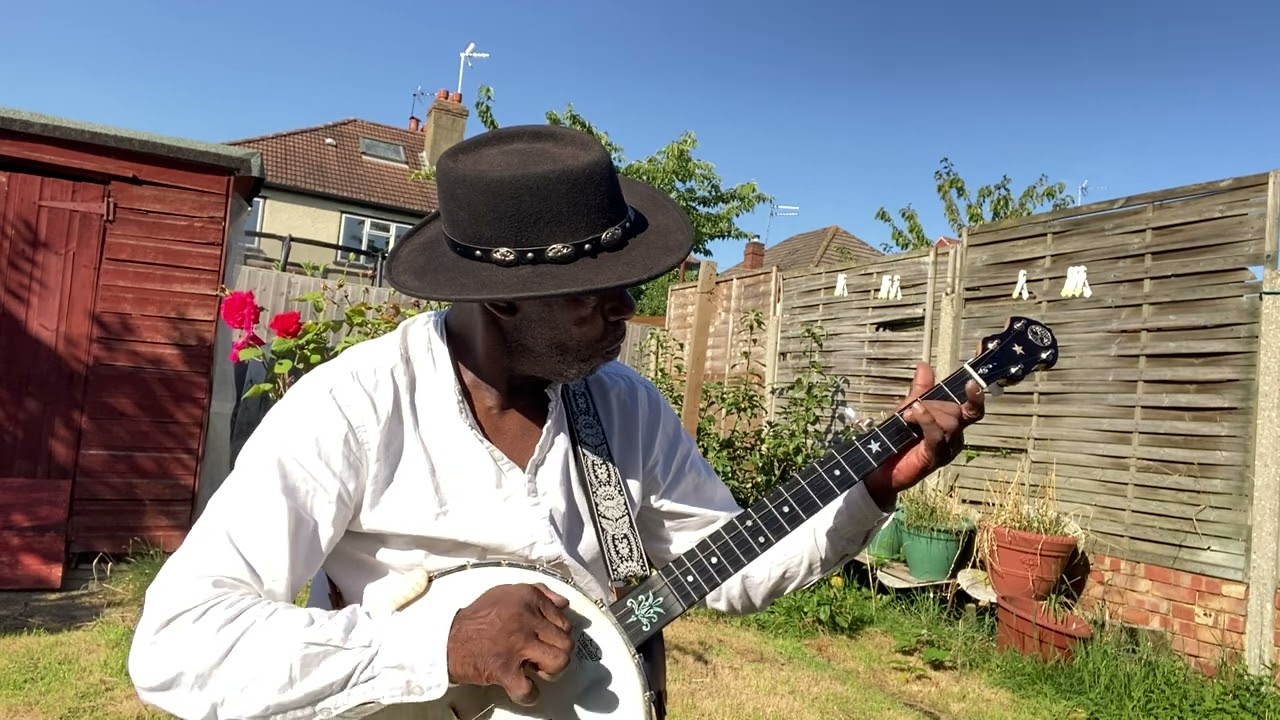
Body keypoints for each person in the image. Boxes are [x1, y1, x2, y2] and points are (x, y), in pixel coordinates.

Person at [127, 124, 984, 719]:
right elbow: (179, 646)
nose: (627, 307)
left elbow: (727, 569)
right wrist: (439, 645)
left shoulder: (625, 406)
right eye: (597, 288)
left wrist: (871, 489)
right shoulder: (355, 405)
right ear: (499, 294)